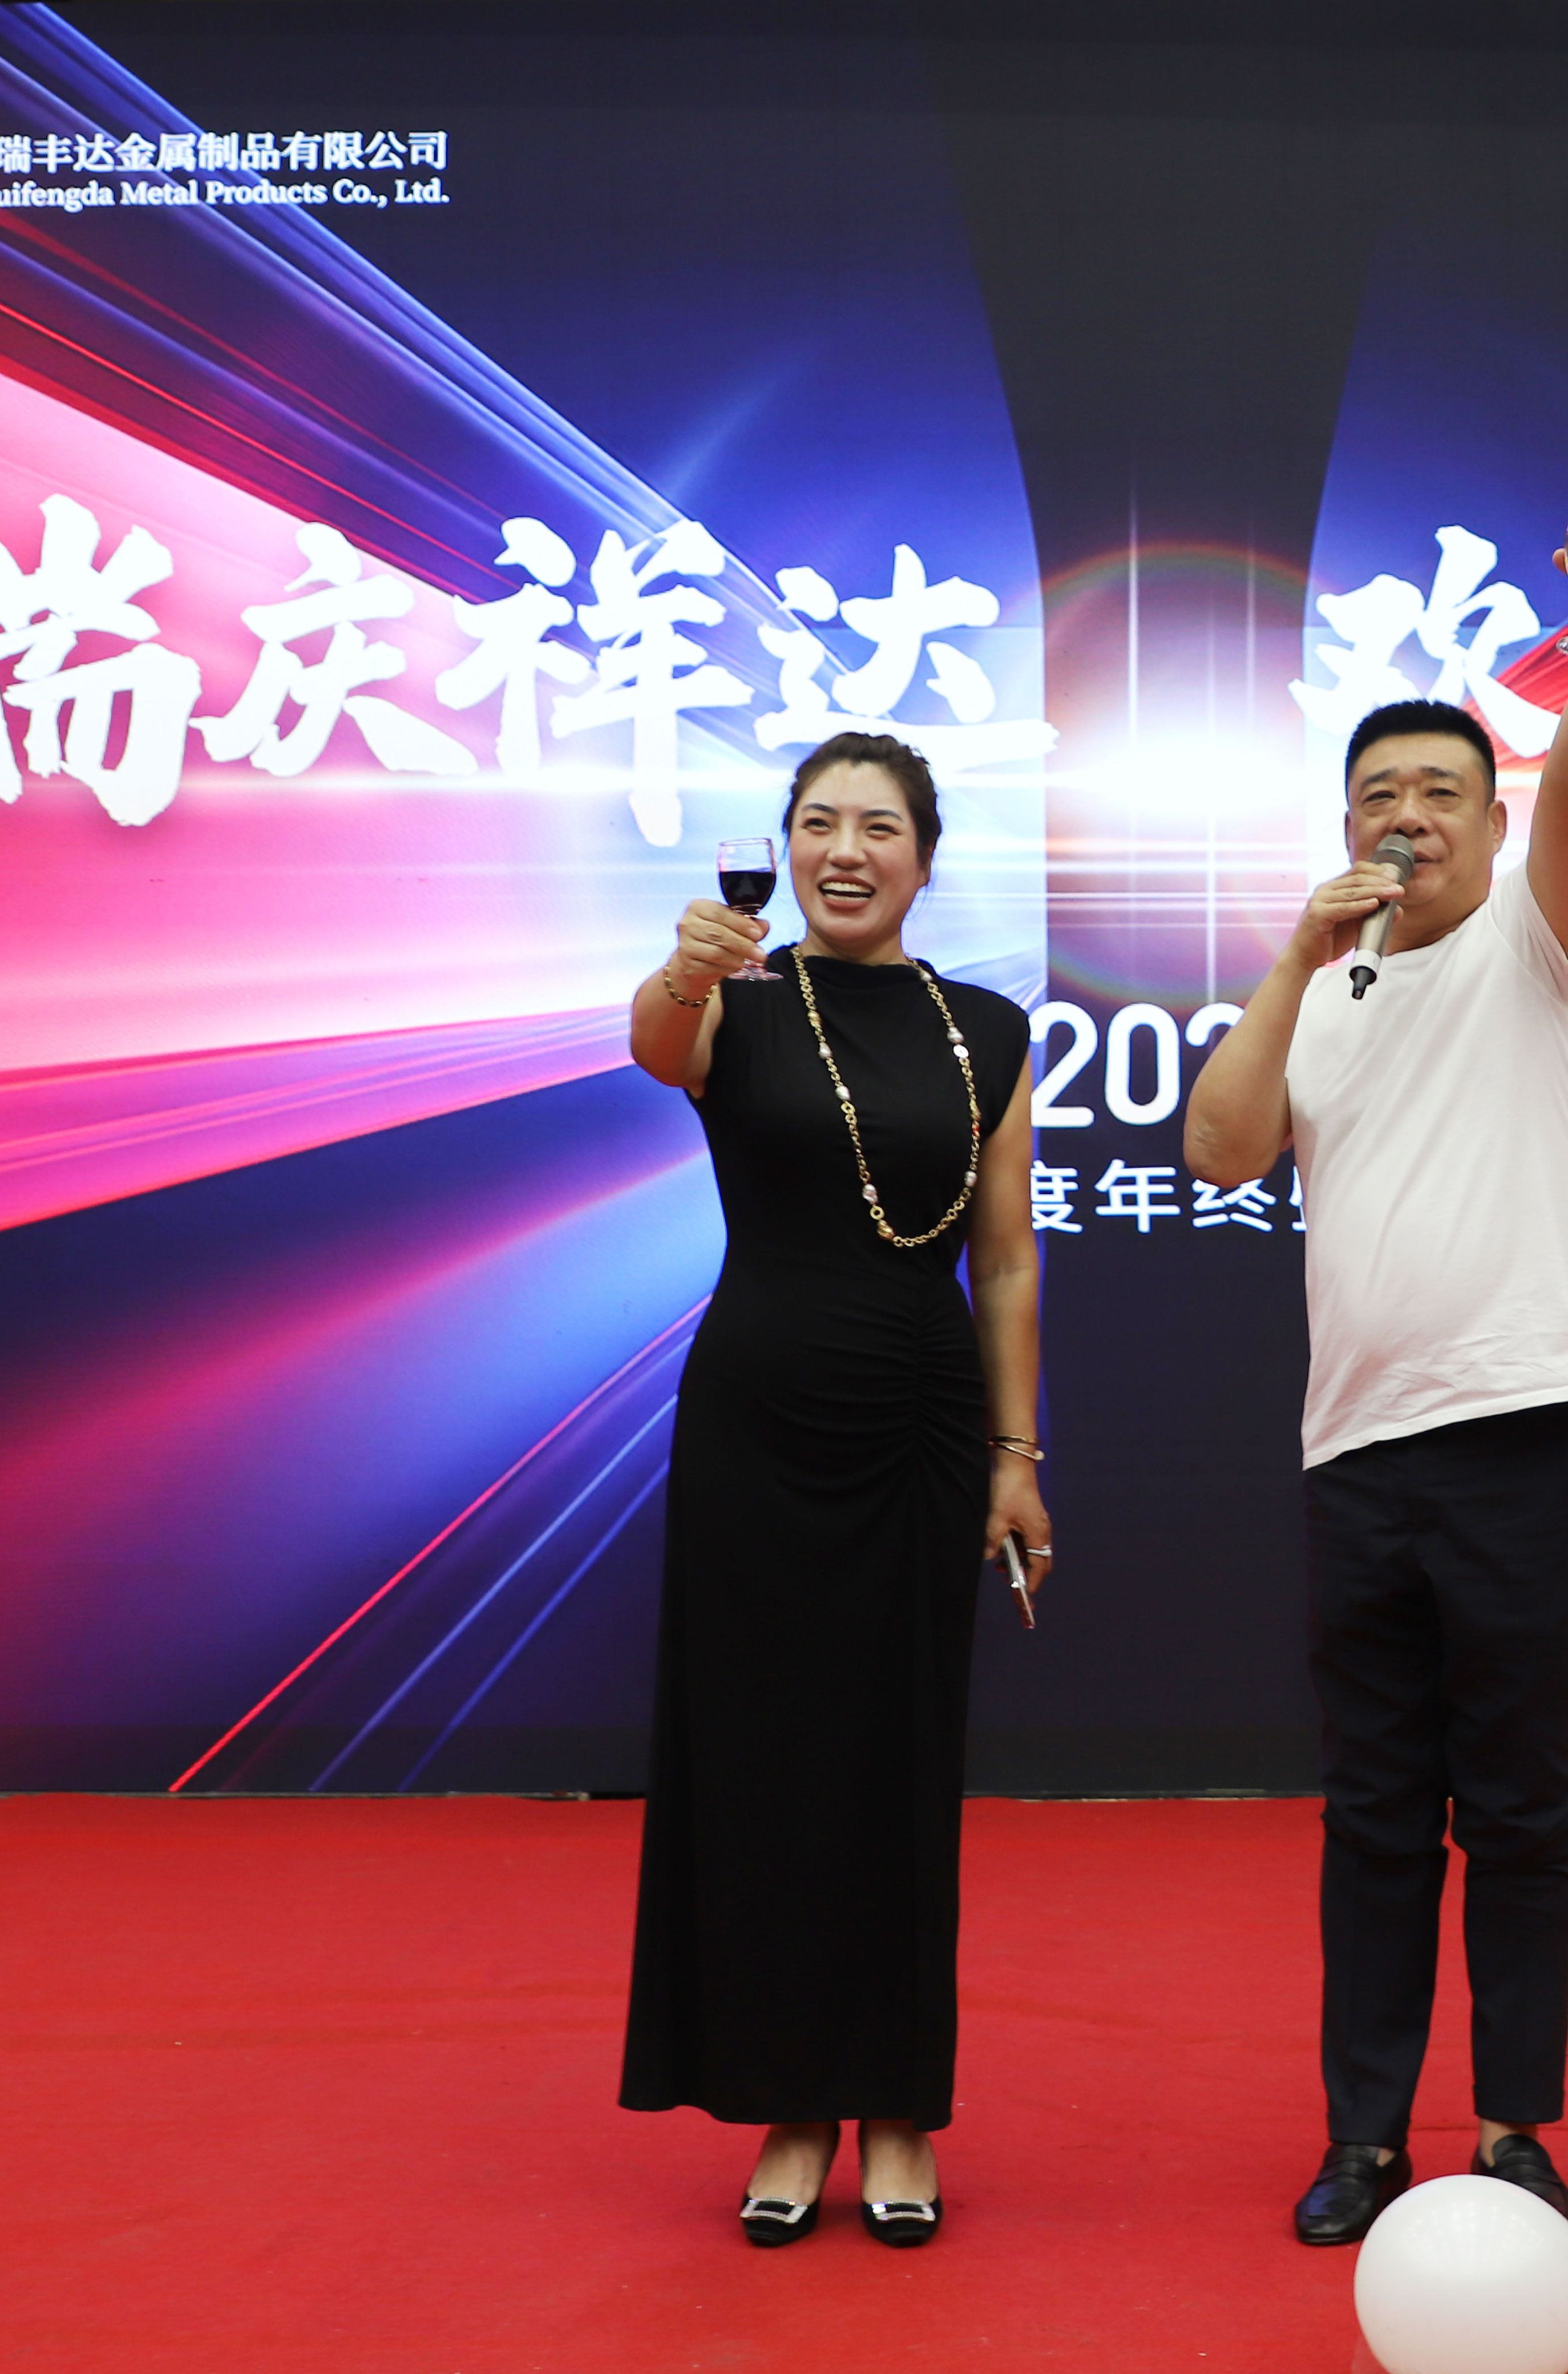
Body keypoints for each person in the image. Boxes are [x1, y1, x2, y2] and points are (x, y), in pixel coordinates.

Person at [1182, 533, 1568, 2243]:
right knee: (1376, 1814)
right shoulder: (1322, 993)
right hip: (1358, 1456)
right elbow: (1221, 1150)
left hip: (1525, 1430)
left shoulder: (1540, 941)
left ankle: (1516, 2130)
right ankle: (1365, 2138)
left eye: (1442, 792)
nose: (1409, 817)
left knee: (1520, 1810)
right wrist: (1294, 965)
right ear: (1342, 826)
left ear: (1494, 820)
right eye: (1378, 794)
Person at [619, 730, 1052, 2250]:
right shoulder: (731, 1002)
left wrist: (1016, 1456)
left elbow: (1006, 1259)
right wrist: (688, 966)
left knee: (899, 1763)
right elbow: (654, 1049)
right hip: (757, 1420)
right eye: (818, 823)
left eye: (879, 827)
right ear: (785, 846)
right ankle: (791, 2106)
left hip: (922, 1427)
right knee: (762, 1764)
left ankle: (900, 2109)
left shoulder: (988, 1028)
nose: (844, 851)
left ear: (926, 859)